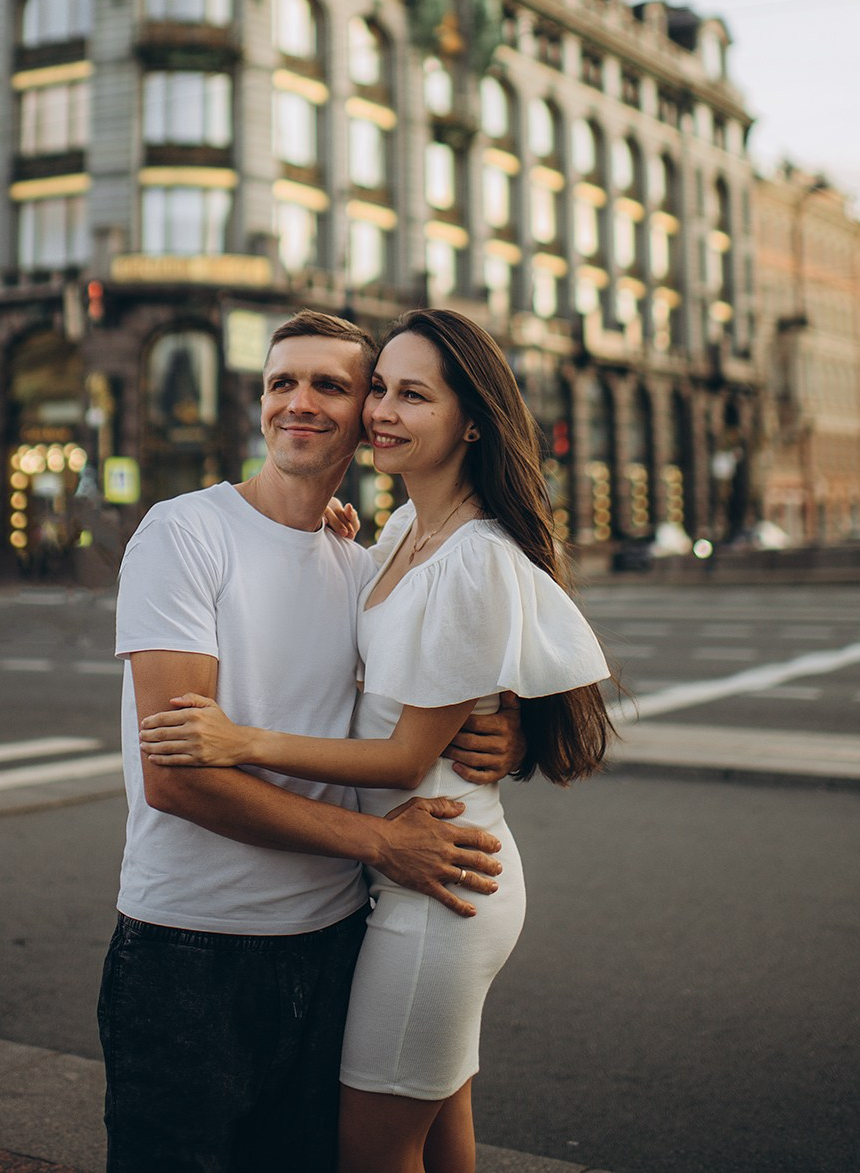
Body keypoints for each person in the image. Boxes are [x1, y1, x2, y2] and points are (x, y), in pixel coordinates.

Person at [142, 310, 614, 1173]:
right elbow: (414, 667)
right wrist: (494, 715)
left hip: (437, 883)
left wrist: (238, 740)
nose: (384, 412)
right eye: (384, 391)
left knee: (372, 1155)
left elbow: (402, 753)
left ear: (472, 420)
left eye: (410, 394)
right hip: (398, 880)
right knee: (439, 1135)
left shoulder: (471, 551)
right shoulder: (392, 532)